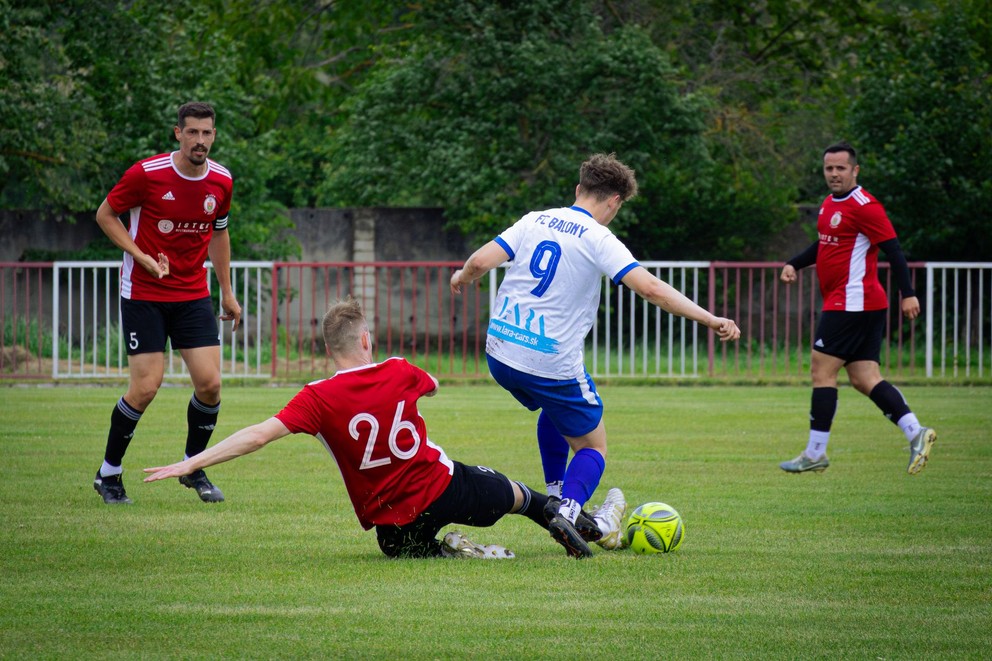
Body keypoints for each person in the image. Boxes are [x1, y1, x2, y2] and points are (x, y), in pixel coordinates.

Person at [450, 152, 741, 558]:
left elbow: (481, 261)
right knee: (594, 446)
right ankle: (568, 510)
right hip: (548, 360)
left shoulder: (535, 219)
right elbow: (652, 289)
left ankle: (556, 494)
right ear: (615, 201)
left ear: (578, 190)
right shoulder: (598, 237)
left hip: (500, 351)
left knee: (554, 411)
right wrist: (709, 318)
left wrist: (462, 275)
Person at [144, 298, 570, 559]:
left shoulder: (316, 397)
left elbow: (257, 435)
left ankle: (448, 550)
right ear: (365, 340)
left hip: (392, 521)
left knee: (401, 551)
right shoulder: (399, 369)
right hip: (444, 488)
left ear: (329, 349)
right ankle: (575, 522)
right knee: (518, 495)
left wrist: (192, 462)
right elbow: (434, 387)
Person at [92, 101, 242, 505]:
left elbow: (219, 234)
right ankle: (109, 473)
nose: (200, 140)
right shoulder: (147, 174)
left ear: (214, 135)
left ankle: (193, 466)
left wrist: (227, 291)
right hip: (144, 292)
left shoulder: (222, 181)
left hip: (193, 292)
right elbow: (106, 215)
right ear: (178, 133)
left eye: (207, 133)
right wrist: (139, 256)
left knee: (210, 385)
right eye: (192, 132)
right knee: (145, 387)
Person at [778, 141, 936, 475]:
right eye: (828, 168)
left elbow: (893, 250)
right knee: (865, 378)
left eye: (840, 168)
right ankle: (916, 433)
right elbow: (823, 245)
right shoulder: (829, 203)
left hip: (852, 303)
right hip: (858, 304)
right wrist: (795, 262)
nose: (834, 174)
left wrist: (908, 293)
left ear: (855, 170)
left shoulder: (865, 206)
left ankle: (815, 452)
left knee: (822, 371)